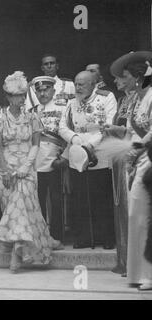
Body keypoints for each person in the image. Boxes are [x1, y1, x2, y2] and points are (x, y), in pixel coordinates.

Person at [0, 72, 60, 273]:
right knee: (14, 208)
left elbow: (36, 145)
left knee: (23, 202)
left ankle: (17, 253)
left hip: (28, 167)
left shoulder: (32, 117)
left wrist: (25, 166)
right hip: (7, 168)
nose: (20, 99)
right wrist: (5, 170)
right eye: (15, 95)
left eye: (22, 95)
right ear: (7, 96)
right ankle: (27, 245)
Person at [59, 71, 117, 250]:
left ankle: (105, 237)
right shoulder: (71, 102)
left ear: (94, 84)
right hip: (77, 155)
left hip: (99, 154)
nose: (78, 87)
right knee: (80, 198)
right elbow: (62, 126)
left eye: (82, 84)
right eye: (76, 84)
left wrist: (90, 145)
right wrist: (76, 140)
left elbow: (109, 124)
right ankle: (83, 237)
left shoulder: (106, 98)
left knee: (101, 198)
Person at [111, 51, 152, 290]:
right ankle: (139, 271)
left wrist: (135, 148)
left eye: (124, 76)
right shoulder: (135, 99)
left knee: (145, 215)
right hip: (136, 160)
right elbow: (130, 130)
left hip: (149, 159)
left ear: (137, 77)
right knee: (137, 214)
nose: (120, 80)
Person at [31, 76, 68, 243]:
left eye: (46, 89)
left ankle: (57, 235)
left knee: (56, 200)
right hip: (36, 163)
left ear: (53, 90)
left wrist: (64, 157)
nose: (42, 93)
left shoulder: (63, 108)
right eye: (39, 90)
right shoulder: (32, 111)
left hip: (55, 161)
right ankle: (40, 235)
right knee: (37, 200)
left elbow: (68, 134)